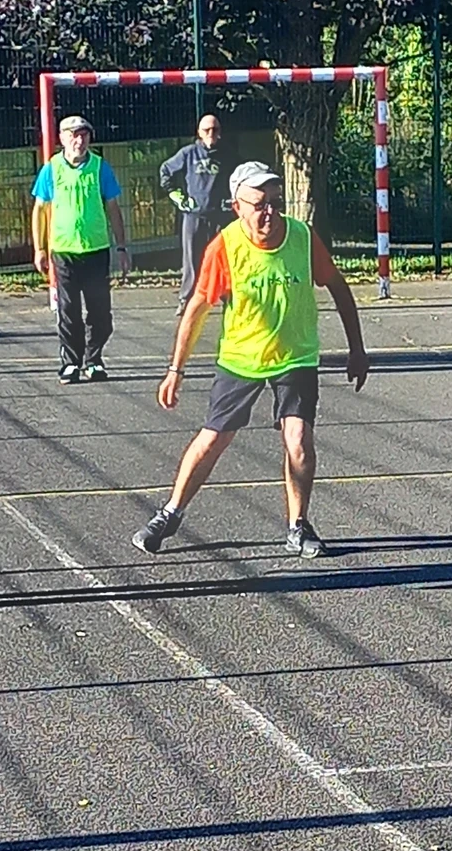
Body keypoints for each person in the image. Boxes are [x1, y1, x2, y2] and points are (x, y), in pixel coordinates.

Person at [133, 161, 371, 559]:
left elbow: (337, 286)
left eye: (276, 203)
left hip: (295, 356)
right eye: (259, 204)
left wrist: (357, 349)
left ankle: (298, 525)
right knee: (212, 439)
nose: (269, 213)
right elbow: (196, 308)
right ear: (237, 206)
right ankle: (171, 512)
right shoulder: (224, 246)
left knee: (298, 441)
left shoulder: (301, 237)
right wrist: (176, 369)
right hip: (241, 358)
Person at [32, 115, 131, 384]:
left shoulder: (100, 168)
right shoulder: (51, 170)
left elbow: (113, 208)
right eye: (73, 134)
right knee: (68, 310)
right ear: (62, 138)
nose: (79, 140)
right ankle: (70, 363)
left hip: (96, 249)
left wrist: (121, 247)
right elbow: (39, 210)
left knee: (100, 311)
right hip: (64, 251)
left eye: (84, 134)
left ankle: (93, 360)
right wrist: (40, 248)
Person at [160, 115, 235, 316]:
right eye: (207, 130)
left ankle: (229, 298)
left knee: (224, 259)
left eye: (215, 130)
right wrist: (177, 196)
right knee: (192, 261)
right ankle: (187, 301)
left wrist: (233, 200)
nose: (211, 134)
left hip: (221, 218)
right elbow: (165, 171)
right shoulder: (188, 154)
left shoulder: (228, 155)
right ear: (199, 133)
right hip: (194, 216)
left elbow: (239, 178)